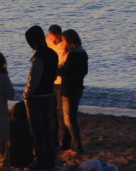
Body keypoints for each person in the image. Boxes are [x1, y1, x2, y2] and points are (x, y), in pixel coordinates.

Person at [23, 25, 58, 169]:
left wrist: (27, 93)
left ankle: (42, 161)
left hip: (36, 98)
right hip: (49, 94)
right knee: (46, 128)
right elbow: (54, 75)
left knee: (37, 130)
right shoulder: (52, 54)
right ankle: (50, 157)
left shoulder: (38, 58)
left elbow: (34, 80)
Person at [60, 29, 88, 155]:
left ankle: (77, 146)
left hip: (69, 89)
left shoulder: (72, 55)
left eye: (64, 40)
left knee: (69, 120)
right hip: (78, 88)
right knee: (71, 117)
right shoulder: (82, 53)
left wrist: (59, 70)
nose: (62, 43)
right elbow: (84, 71)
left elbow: (66, 72)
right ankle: (69, 143)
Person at [46, 24, 67, 147]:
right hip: (49, 81)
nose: (53, 41)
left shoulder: (65, 44)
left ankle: (65, 141)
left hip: (61, 83)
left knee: (62, 113)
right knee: (50, 113)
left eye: (55, 39)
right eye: (51, 38)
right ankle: (53, 141)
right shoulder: (46, 40)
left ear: (60, 35)